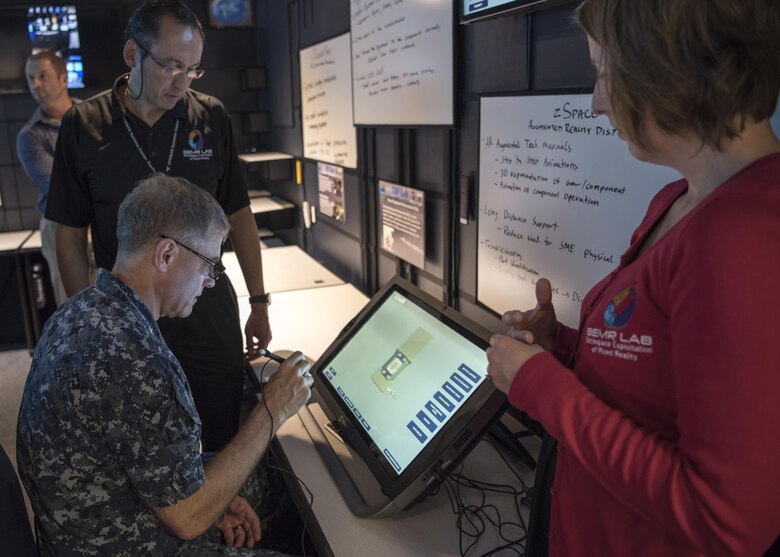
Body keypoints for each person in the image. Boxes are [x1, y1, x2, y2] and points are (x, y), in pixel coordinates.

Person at [486, 0, 780, 555]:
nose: (597, 104)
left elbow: (725, 520)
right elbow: (654, 372)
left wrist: (539, 385)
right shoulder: (678, 198)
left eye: (605, 77)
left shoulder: (743, 236)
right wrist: (564, 348)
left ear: (672, 70)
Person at [17, 174, 313, 556]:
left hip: (87, 526)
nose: (210, 282)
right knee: (289, 493)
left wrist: (210, 501)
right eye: (210, 264)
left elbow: (140, 457)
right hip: (126, 545)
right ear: (167, 254)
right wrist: (274, 408)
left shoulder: (79, 312)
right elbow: (189, 518)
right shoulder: (134, 359)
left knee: (272, 488)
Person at [45, 0, 272, 451]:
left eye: (193, 69)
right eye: (171, 66)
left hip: (206, 308)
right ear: (133, 54)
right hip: (129, 317)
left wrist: (260, 300)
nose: (182, 81)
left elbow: (239, 216)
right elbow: (67, 233)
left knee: (217, 430)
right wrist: (89, 324)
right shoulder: (83, 125)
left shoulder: (210, 118)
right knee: (140, 437)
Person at [16, 50, 79, 307]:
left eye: (42, 76)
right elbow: (61, 188)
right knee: (74, 305)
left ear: (63, 79)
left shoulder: (93, 115)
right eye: (31, 78)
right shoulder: (30, 136)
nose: (36, 84)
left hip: (104, 217)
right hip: (61, 224)